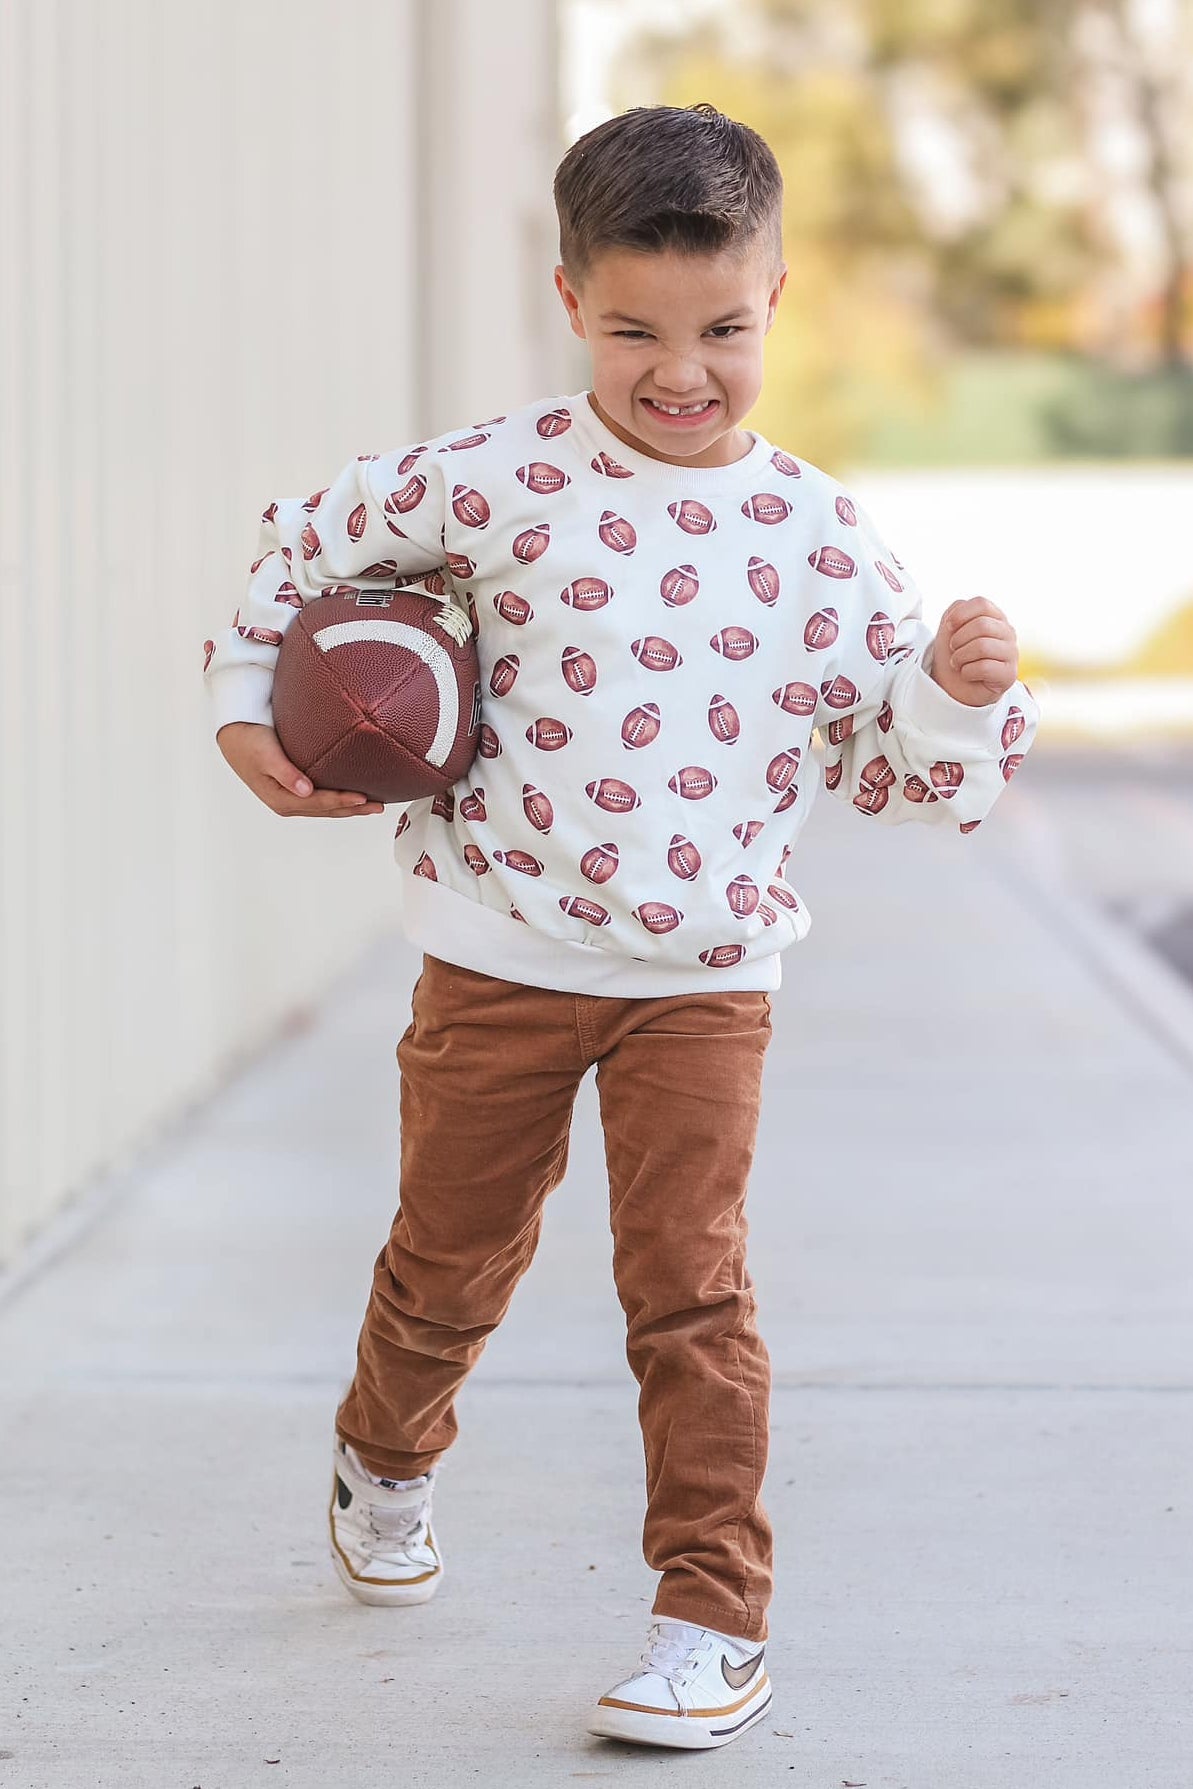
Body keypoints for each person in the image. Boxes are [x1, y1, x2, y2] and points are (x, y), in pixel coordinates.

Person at [204, 101, 1038, 1753]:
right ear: (571, 295)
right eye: (636, 329)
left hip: (704, 976)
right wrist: (251, 713)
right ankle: (387, 1452)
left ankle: (707, 1615)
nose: (682, 372)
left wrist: (946, 698)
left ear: (777, 298)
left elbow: (901, 773)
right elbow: (301, 552)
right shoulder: (489, 481)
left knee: (691, 1290)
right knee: (448, 1259)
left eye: (723, 330)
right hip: (498, 951)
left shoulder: (811, 533)